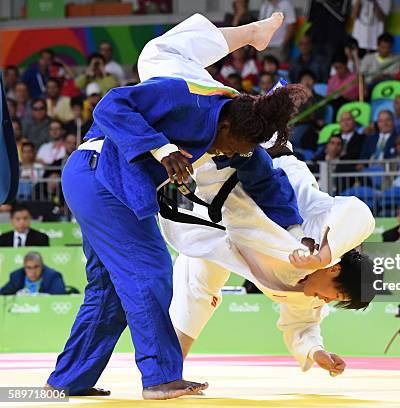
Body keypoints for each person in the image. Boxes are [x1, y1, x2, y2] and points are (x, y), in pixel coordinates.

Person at [46, 12, 305, 399]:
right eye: (235, 147)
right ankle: (161, 377)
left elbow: (268, 184)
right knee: (149, 269)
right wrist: (162, 147)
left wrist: (298, 233)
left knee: (110, 291)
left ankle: (67, 382)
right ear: (229, 126)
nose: (232, 155)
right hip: (98, 175)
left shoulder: (242, 132)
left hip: (106, 187)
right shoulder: (186, 97)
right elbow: (110, 105)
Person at [160, 139, 376, 375]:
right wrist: (322, 257)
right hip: (264, 154)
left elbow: (303, 323)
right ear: (335, 269)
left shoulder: (308, 295)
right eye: (335, 295)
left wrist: (316, 351)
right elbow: (360, 213)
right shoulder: (321, 228)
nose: (325, 301)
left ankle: (167, 371)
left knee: (199, 286)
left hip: (225, 214)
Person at [0, 252, 65, 295]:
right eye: (28, 267)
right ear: (24, 268)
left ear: (42, 266)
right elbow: (2, 294)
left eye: (36, 267)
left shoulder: (53, 276)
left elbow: (59, 295)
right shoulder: (16, 276)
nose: (33, 271)